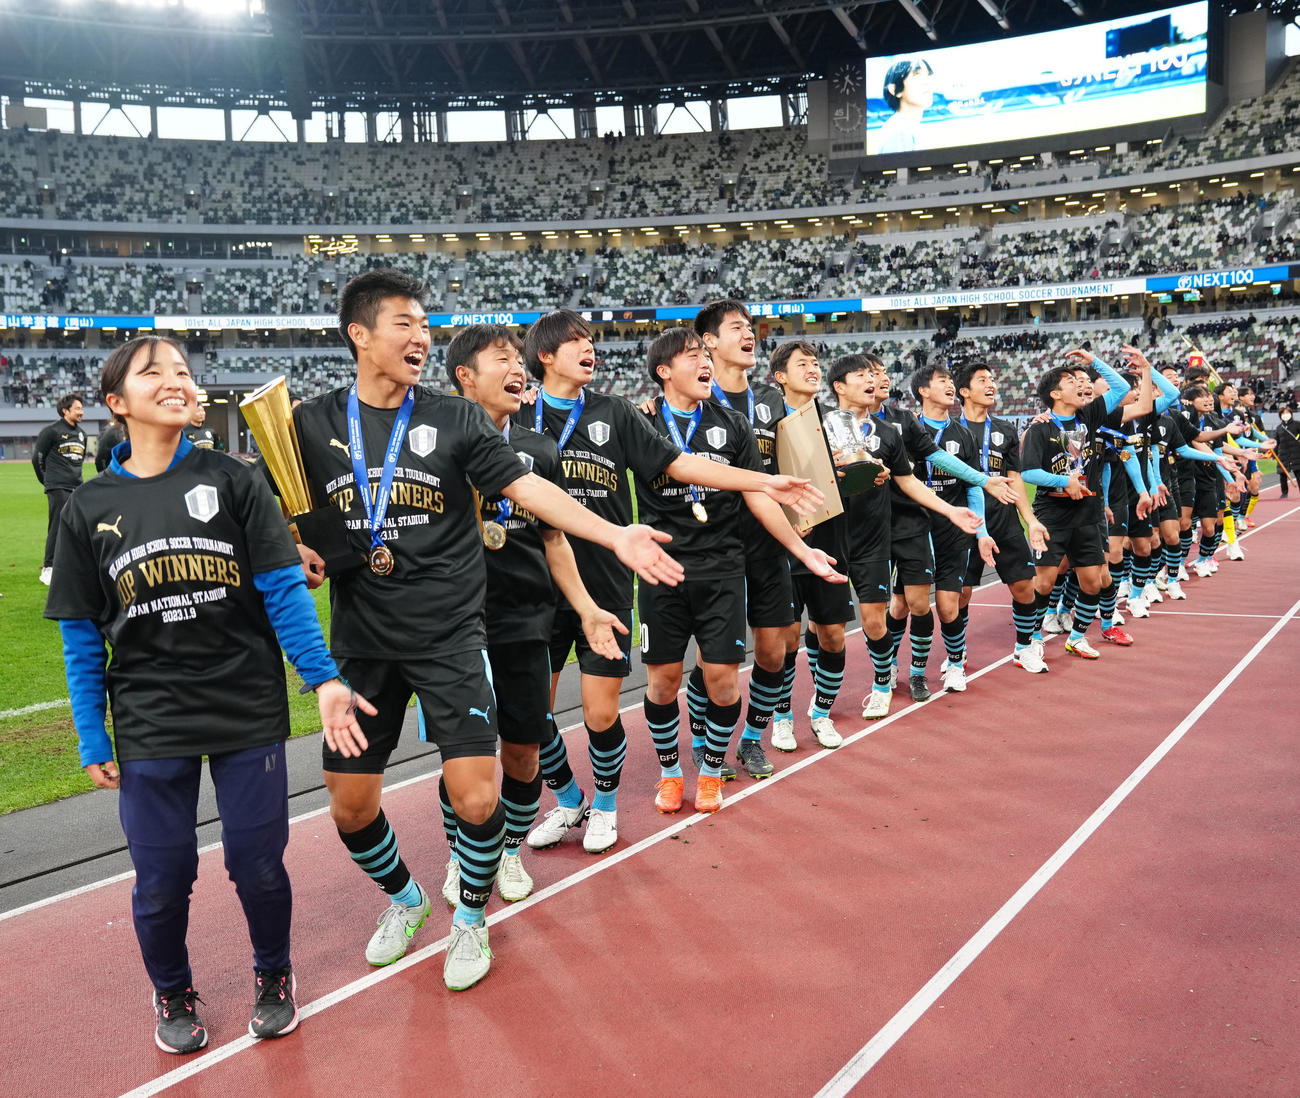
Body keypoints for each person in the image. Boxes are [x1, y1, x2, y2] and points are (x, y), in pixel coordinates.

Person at [292, 274, 682, 992]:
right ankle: (406, 902)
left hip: (449, 635)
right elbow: (290, 519)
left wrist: (613, 532)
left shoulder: (454, 418)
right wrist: (300, 549)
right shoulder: (309, 424)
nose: (420, 337)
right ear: (359, 335)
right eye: (404, 323)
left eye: (425, 324)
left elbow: (528, 491)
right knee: (350, 807)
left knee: (477, 798)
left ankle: (470, 918)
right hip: (361, 643)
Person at [44, 336, 365, 1054]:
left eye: (185, 371)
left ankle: (274, 975)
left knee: (255, 860)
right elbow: (80, 635)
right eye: (154, 372)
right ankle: (172, 989)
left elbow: (284, 590)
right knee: (162, 876)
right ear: (117, 403)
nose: (177, 381)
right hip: (149, 717)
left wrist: (324, 679)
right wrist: (93, 736)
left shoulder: (235, 480)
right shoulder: (86, 507)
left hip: (245, 705)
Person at [519, 310, 821, 854]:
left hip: (625, 574)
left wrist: (768, 485)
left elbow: (679, 465)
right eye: (578, 341)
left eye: (593, 341)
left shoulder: (622, 414)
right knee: (530, 713)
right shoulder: (519, 415)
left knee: (608, 710)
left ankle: (623, 799)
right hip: (534, 578)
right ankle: (569, 799)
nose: (591, 348)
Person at [437, 323, 632, 905]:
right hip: (453, 624)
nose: (518, 367)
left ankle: (507, 850)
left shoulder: (539, 450)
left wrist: (589, 609)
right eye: (503, 358)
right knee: (463, 755)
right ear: (465, 376)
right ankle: (460, 857)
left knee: (521, 750)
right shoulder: (432, 443)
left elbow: (555, 542)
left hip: (524, 619)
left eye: (519, 358)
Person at [636, 328, 843, 814]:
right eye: (693, 356)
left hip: (722, 567)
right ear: (664, 371)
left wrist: (800, 549)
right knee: (662, 682)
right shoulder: (638, 422)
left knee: (725, 682)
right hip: (661, 567)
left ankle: (710, 771)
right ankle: (670, 774)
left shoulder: (732, 423)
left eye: (706, 355)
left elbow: (755, 495)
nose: (704, 362)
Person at [693, 300, 795, 780]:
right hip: (713, 544)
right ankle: (701, 739)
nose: (749, 333)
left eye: (750, 328)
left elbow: (800, 466)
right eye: (737, 327)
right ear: (708, 342)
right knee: (716, 657)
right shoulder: (689, 400)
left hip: (767, 539)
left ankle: (751, 740)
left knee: (773, 651)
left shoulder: (775, 403)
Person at [765, 342, 859, 751]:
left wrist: (863, 474)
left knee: (834, 635)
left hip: (830, 539)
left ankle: (820, 713)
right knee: (785, 638)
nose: (813, 369)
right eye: (802, 364)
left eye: (816, 363)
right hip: (782, 544)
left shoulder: (838, 420)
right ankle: (781, 717)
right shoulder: (763, 419)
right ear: (780, 376)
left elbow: (854, 476)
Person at [1019, 350, 1133, 659]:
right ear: (1055, 394)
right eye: (1071, 381)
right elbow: (1028, 471)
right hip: (1052, 513)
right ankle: (1031, 638)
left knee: (1092, 581)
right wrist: (1063, 481)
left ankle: (1077, 637)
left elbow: (1121, 387)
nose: (1080, 386)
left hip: (1088, 511)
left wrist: (1093, 361)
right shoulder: (1039, 428)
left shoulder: (1090, 415)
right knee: (1043, 581)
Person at [951, 361, 1050, 673]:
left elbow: (1015, 479)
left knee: (1024, 584)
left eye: (992, 379)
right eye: (982, 380)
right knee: (960, 593)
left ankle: (1023, 648)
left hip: (1003, 520)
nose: (991, 384)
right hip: (965, 522)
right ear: (964, 391)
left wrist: (1030, 519)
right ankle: (957, 655)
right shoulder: (950, 431)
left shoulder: (1006, 429)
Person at [32, 392, 87, 584]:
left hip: (77, 487)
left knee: (78, 526)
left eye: (82, 408)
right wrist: (48, 482)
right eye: (77, 408)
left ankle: (72, 565)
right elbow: (37, 458)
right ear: (65, 411)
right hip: (58, 487)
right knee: (56, 526)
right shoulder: (51, 432)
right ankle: (48, 568)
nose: (81, 412)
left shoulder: (82, 434)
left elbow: (79, 462)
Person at [876, 58, 934, 154]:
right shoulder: (899, 132)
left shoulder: (906, 127)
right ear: (894, 90)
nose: (926, 82)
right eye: (917, 75)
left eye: (928, 75)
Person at [1275, 404, 1300, 498]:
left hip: (1296, 453)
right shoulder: (1279, 428)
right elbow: (1276, 442)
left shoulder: (1297, 424)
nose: (1285, 414)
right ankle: (1284, 492)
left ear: (1291, 414)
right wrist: (1274, 454)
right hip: (1283, 454)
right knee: (1282, 475)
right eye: (1283, 413)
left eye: (1287, 413)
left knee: (1298, 473)